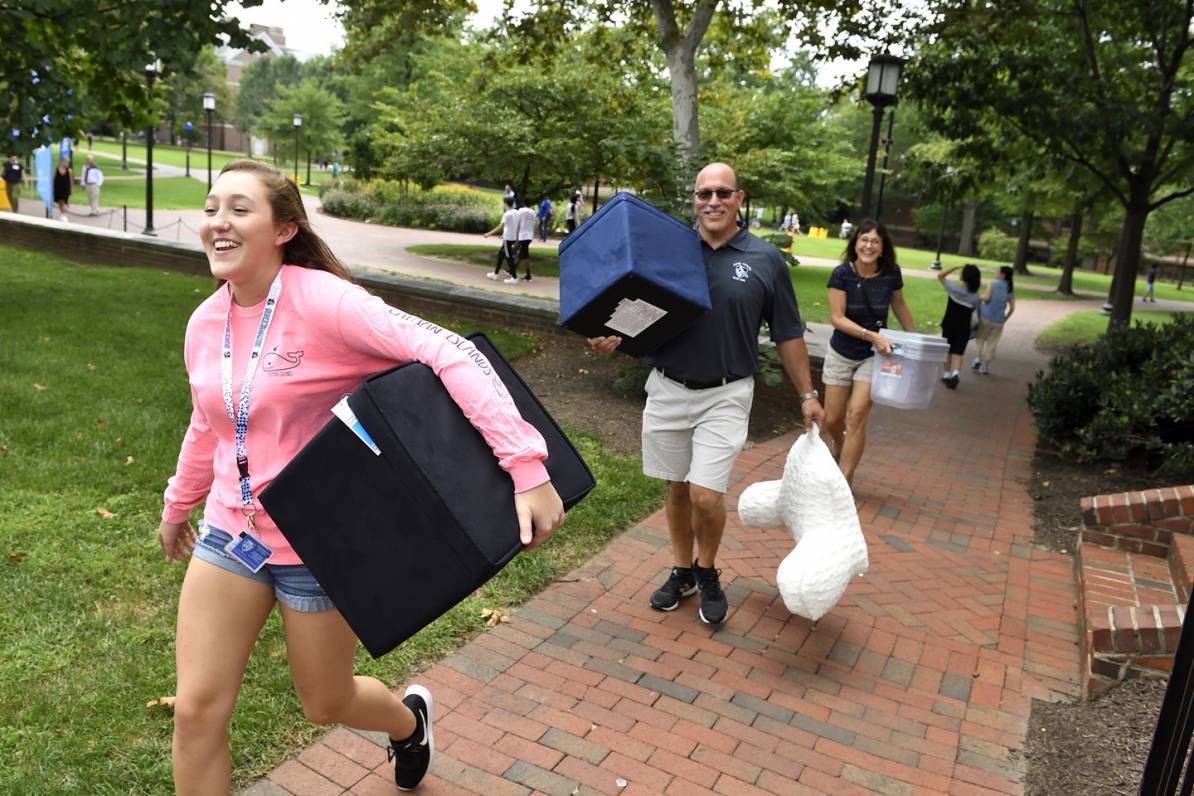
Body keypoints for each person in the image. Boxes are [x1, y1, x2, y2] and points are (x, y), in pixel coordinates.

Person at [156, 159, 566, 794]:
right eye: (211, 209)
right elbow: (208, 420)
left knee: (325, 701)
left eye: (240, 209)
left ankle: (407, 724)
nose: (219, 223)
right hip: (230, 532)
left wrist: (526, 465)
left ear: (284, 229)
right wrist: (177, 504)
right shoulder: (205, 322)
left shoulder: (323, 302)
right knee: (195, 710)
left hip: (319, 544)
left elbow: (450, 350)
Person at [588, 162, 824, 626]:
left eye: (722, 192)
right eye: (703, 194)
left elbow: (789, 333)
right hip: (668, 387)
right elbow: (641, 311)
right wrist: (613, 336)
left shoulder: (765, 260)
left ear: (739, 198)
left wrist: (807, 394)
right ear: (694, 200)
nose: (712, 201)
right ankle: (682, 571)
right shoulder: (670, 252)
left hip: (726, 393)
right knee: (676, 488)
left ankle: (708, 569)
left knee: (706, 496)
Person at [823, 220, 916, 486]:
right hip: (841, 351)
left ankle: (845, 480)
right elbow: (837, 318)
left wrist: (913, 339)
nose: (869, 246)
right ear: (855, 244)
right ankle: (839, 444)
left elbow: (899, 304)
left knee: (856, 415)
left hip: (873, 356)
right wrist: (871, 334)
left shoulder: (891, 273)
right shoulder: (842, 274)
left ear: (883, 247)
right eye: (864, 240)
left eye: (875, 241)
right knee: (832, 419)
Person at [937, 264, 982, 389]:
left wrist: (955, 266)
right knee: (958, 352)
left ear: (964, 276)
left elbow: (940, 276)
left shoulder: (954, 288)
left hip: (949, 323)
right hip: (964, 327)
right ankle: (955, 373)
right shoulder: (976, 296)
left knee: (947, 350)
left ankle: (946, 375)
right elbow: (975, 310)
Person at [972, 266, 1015, 375]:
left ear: (1003, 274)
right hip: (999, 320)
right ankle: (985, 366)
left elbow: (986, 298)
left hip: (985, 316)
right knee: (992, 343)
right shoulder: (1010, 288)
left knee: (980, 338)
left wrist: (977, 296)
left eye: (998, 271)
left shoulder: (993, 283)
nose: (996, 272)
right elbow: (1012, 308)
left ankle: (977, 359)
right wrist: (1005, 319)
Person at [483, 196, 520, 284]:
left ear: (506, 203)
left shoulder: (507, 214)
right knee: (501, 254)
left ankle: (514, 277)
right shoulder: (516, 212)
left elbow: (500, 227)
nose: (503, 204)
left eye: (503, 203)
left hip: (508, 238)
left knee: (509, 257)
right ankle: (495, 273)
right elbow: (517, 225)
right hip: (512, 237)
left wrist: (489, 234)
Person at [516, 199, 537, 281]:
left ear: (523, 203)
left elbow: (518, 221)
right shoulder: (533, 212)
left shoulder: (521, 210)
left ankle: (527, 275)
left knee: (524, 255)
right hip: (529, 235)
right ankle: (513, 269)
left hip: (523, 235)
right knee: (522, 254)